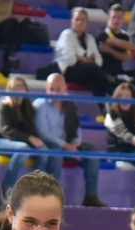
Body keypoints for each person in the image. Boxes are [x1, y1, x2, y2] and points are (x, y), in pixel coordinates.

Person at [33, 73, 106, 208]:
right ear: (46, 88)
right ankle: (54, 196)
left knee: (92, 151)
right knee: (55, 152)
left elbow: (76, 127)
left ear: (65, 87)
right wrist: (66, 146)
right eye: (51, 89)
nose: (55, 93)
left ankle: (91, 196)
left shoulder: (70, 105)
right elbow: (43, 133)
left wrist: (76, 144)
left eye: (58, 89)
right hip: (51, 143)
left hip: (69, 142)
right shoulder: (39, 105)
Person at [0, 76, 40, 199]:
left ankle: (38, 188)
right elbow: (5, 130)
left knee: (44, 150)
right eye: (16, 87)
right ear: (9, 89)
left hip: (15, 142)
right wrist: (29, 138)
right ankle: (7, 187)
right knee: (24, 148)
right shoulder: (3, 105)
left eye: (21, 87)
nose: (19, 90)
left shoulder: (27, 108)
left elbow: (30, 129)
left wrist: (36, 140)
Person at [0, 0, 50, 76]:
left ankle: (8, 59)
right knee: (14, 27)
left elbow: (6, 16)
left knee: (13, 24)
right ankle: (8, 59)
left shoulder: (8, 2)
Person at [54, 8, 113, 96]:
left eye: (82, 20)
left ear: (87, 23)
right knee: (93, 69)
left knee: (96, 76)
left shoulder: (90, 39)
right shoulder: (66, 35)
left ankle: (104, 104)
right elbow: (70, 59)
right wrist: (88, 59)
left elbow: (99, 61)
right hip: (68, 72)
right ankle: (111, 96)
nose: (79, 22)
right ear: (71, 21)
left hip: (86, 72)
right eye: (77, 19)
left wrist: (80, 58)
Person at [99, 5, 135, 84]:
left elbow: (125, 58)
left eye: (119, 18)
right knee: (104, 77)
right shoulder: (102, 34)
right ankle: (123, 81)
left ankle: (123, 80)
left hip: (119, 72)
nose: (116, 20)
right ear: (108, 19)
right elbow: (116, 42)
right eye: (114, 17)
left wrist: (110, 50)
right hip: (104, 71)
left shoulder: (126, 37)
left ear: (123, 20)